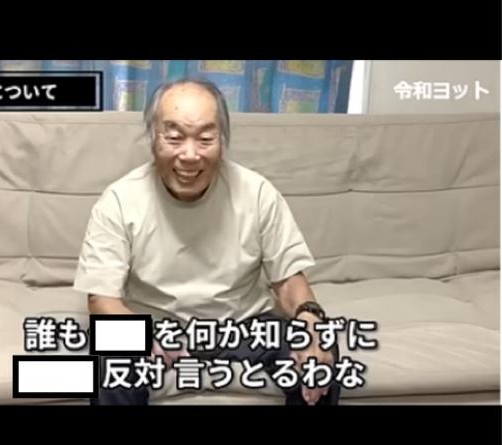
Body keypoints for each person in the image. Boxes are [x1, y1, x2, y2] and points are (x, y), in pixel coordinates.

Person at [73, 78, 340, 406]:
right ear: (153, 138)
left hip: (243, 326)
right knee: (110, 355)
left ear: (222, 141)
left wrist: (310, 318)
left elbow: (288, 280)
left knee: (320, 350)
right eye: (174, 137)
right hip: (155, 328)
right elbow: (102, 300)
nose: (189, 155)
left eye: (205, 139)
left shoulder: (257, 193)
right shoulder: (119, 200)